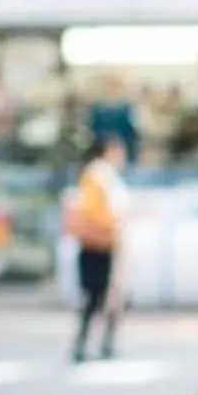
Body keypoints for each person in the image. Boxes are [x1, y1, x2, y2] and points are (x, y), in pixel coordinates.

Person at [63, 133, 129, 363]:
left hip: (103, 245)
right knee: (97, 296)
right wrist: (113, 228)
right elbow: (97, 212)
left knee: (106, 296)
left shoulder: (102, 175)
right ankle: (88, 344)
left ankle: (102, 343)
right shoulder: (98, 175)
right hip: (99, 245)